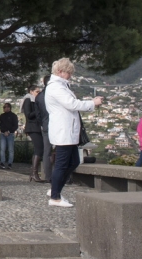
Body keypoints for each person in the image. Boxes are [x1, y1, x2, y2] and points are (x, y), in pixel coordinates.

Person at [46, 58, 103, 207]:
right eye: (68, 72)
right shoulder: (56, 87)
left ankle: (55, 189)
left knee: (74, 162)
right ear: (60, 72)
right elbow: (72, 104)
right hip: (64, 131)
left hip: (68, 131)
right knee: (62, 164)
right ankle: (55, 197)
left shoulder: (60, 86)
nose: (70, 75)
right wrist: (92, 103)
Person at [21, 85, 45, 182]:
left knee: (38, 149)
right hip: (32, 127)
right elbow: (29, 115)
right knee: (39, 148)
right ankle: (34, 173)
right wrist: (38, 109)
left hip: (38, 127)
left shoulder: (36, 101)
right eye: (37, 92)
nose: (38, 93)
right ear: (31, 91)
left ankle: (33, 173)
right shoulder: (28, 100)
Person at [34, 75, 53, 183]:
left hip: (45, 125)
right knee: (61, 150)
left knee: (47, 152)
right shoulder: (54, 94)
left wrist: (43, 123)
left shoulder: (39, 96)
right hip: (57, 125)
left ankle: (48, 176)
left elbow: (38, 115)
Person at [0, 103, 18, 169]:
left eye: (8, 107)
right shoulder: (1, 116)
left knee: (10, 150)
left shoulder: (13, 116)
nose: (6, 108)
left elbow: (15, 126)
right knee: (2, 149)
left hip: (10, 134)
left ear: (10, 108)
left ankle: (10, 163)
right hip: (3, 134)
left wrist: (9, 131)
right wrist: (2, 129)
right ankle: (2, 163)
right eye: (5, 107)